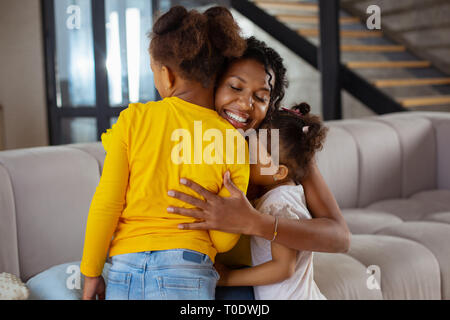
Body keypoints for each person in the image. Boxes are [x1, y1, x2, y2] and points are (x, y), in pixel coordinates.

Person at [80, 5, 248, 300]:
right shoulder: (231, 140)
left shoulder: (133, 120)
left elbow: (107, 202)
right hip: (188, 268)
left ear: (167, 76)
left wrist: (91, 271)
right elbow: (223, 241)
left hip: (126, 267)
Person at [166, 37, 351, 297]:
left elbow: (339, 237)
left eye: (261, 97)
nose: (245, 104)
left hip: (245, 281)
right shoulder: (189, 138)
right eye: (234, 87)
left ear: (270, 106)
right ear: (214, 86)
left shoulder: (275, 148)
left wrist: (255, 223)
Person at [215, 103, 328, 300]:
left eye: (253, 155)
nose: (246, 157)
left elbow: (283, 267)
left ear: (279, 171)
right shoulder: (287, 194)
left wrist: (227, 278)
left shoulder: (280, 205)